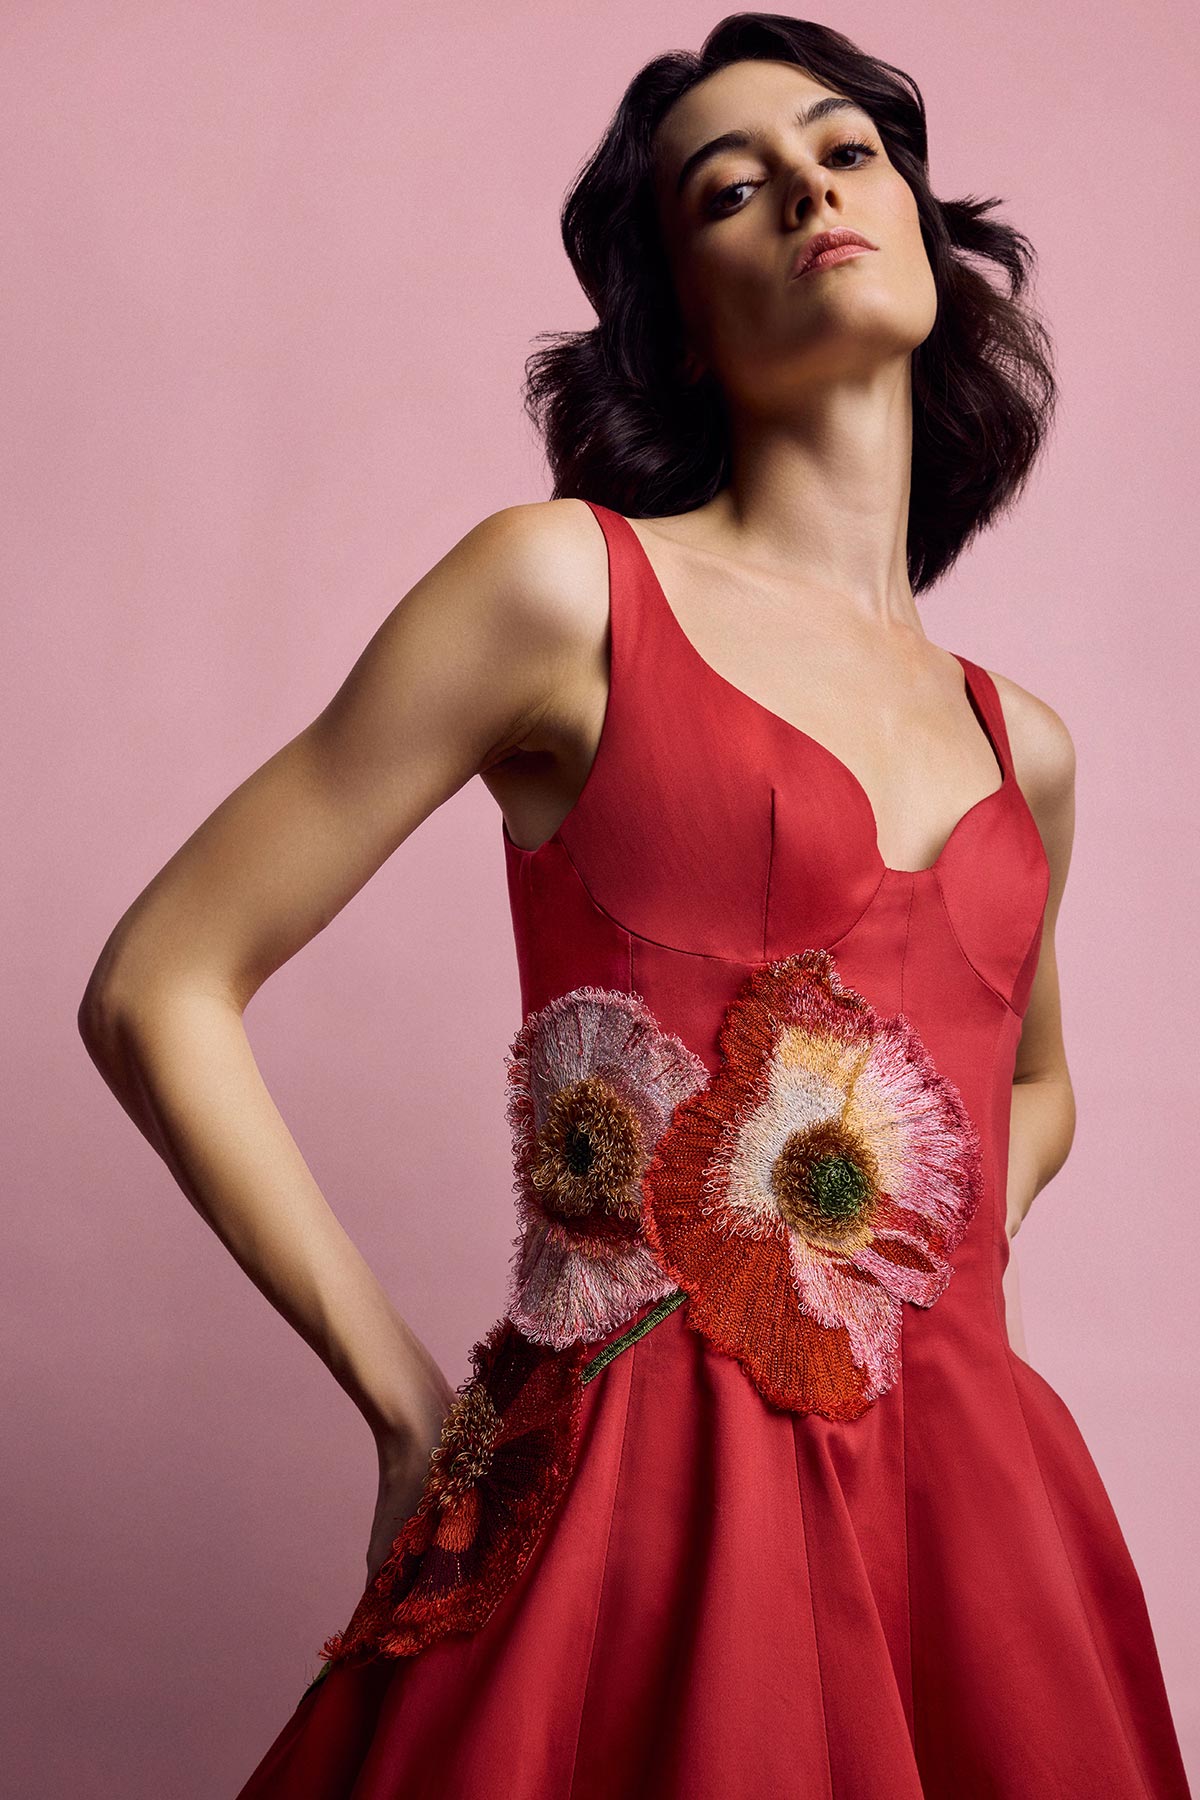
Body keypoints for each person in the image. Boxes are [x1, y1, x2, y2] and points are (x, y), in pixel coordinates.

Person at [79, 14, 1193, 1799]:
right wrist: (406, 1408)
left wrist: (897, 1228)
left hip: (977, 1518)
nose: (811, 190)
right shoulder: (564, 591)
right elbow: (160, 981)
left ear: (922, 227)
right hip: (644, 1515)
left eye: (847, 150)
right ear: (676, 320)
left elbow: (1037, 1081)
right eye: (733, 190)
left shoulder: (1024, 745)